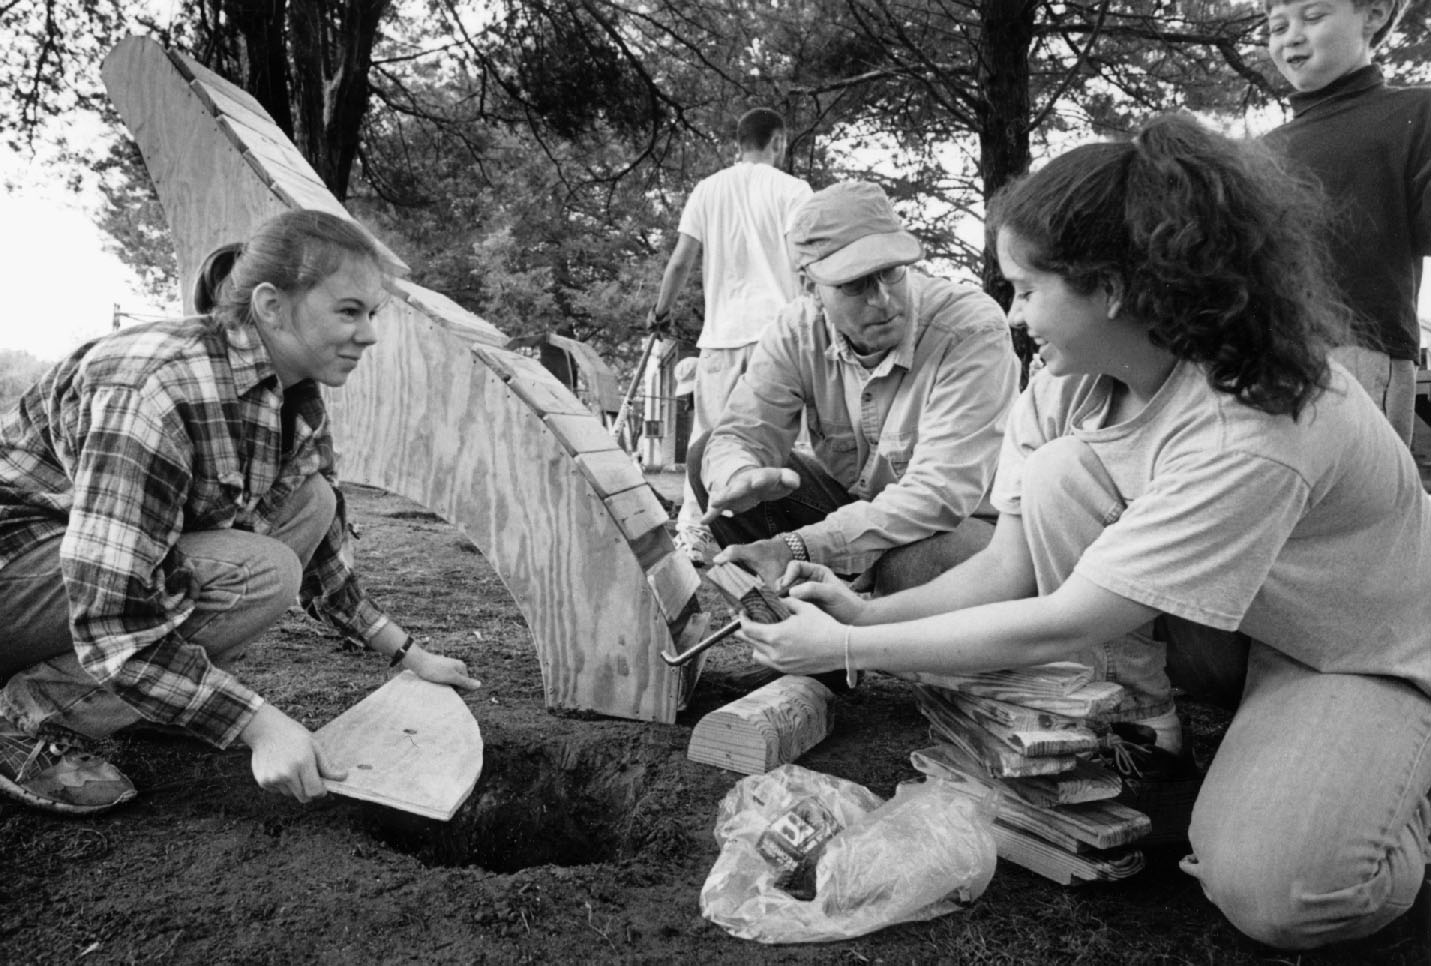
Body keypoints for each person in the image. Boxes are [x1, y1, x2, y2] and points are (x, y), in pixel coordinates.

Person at [739, 113, 1431, 950]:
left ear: (1109, 288)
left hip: (1357, 650)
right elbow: (1009, 568)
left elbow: (1070, 619)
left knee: (1281, 892)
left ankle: (1388, 778)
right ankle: (1151, 740)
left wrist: (844, 656)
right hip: (1238, 623)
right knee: (1067, 467)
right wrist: (862, 617)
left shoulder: (1249, 425)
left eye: (1028, 289)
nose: (1014, 311)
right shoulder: (1067, 383)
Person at [0, 209, 481, 816]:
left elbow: (327, 554)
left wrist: (410, 656)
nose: (370, 334)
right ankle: (28, 713)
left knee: (312, 502)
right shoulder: (159, 388)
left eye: (373, 313)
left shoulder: (292, 396)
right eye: (349, 311)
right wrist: (257, 724)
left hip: (60, 578)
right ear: (272, 307)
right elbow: (111, 614)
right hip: (15, 569)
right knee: (258, 571)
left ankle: (137, 699)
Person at [692, 180, 1019, 596]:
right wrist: (737, 475)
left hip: (969, 527)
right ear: (810, 288)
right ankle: (815, 639)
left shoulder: (968, 328)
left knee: (910, 566)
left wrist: (800, 546)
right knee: (708, 458)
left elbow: (940, 495)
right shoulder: (795, 332)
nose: (883, 299)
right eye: (855, 283)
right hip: (859, 511)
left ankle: (870, 633)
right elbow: (740, 434)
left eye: (890, 271)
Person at [648, 107, 814, 565]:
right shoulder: (793, 191)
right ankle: (784, 540)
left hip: (721, 334)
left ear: (737, 143)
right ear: (778, 142)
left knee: (709, 438)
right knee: (786, 444)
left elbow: (681, 260)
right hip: (780, 332)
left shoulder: (708, 189)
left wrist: (660, 311)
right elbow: (804, 259)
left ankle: (693, 535)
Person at [1261, 0, 1430, 445]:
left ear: (1373, 15)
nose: (1291, 36)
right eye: (1277, 26)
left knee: (1356, 508)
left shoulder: (1417, 112)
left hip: (1359, 354)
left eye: (1313, 17)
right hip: (1260, 356)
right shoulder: (1257, 152)